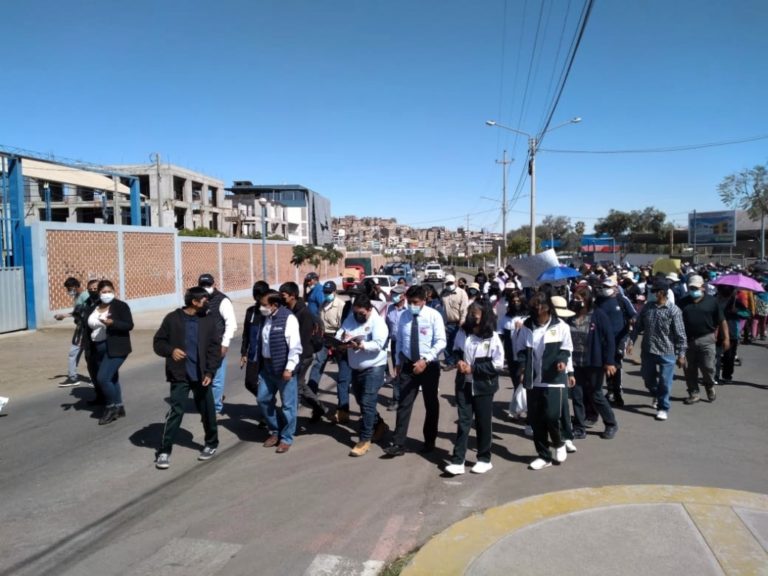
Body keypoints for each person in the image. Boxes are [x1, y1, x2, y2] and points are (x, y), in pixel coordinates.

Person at [152, 286, 222, 469]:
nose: (207, 303)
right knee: (176, 412)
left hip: (201, 375)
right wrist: (170, 351)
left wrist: (210, 372)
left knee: (207, 410)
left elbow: (214, 348)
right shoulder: (172, 319)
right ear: (194, 302)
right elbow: (158, 342)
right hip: (180, 375)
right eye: (204, 300)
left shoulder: (208, 320)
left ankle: (211, 443)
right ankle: (164, 451)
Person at [384, 285, 446, 457]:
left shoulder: (434, 316)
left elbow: (441, 341)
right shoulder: (404, 316)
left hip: (429, 366)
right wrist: (397, 361)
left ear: (424, 301)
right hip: (408, 366)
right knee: (404, 404)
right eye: (409, 302)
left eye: (415, 302)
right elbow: (400, 340)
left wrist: (425, 360)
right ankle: (398, 443)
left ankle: (429, 441)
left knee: (431, 404)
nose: (411, 305)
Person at [445, 302, 504, 475]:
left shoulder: (492, 337)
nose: (472, 317)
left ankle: (484, 458)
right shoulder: (463, 333)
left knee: (482, 422)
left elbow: (498, 364)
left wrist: (474, 369)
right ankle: (458, 461)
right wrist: (459, 361)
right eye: (470, 314)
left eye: (475, 315)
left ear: (484, 316)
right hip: (464, 384)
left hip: (484, 386)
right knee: (464, 422)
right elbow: (455, 350)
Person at [519, 291, 574, 471]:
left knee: (551, 416)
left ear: (548, 308)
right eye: (534, 308)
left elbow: (566, 349)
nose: (537, 312)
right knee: (536, 420)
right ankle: (543, 455)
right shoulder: (527, 326)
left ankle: (558, 443)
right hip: (533, 379)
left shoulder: (561, 326)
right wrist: (522, 369)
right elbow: (520, 351)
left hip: (554, 380)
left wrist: (562, 362)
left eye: (540, 308)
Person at [563, 287, 619, 441]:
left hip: (593, 362)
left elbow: (609, 339)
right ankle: (580, 427)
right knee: (576, 395)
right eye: (575, 297)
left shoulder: (598, 315)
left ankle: (610, 423)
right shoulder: (570, 315)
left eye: (581, 297)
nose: (577, 300)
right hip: (574, 362)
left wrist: (609, 361)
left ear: (588, 298)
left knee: (596, 394)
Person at [337, 294, 390, 456]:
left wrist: (362, 345)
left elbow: (379, 343)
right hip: (356, 367)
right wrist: (340, 341)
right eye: (356, 312)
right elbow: (341, 332)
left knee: (367, 401)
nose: (358, 316)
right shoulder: (351, 318)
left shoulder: (378, 322)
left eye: (361, 313)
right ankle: (379, 424)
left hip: (374, 367)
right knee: (361, 400)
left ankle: (365, 439)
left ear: (369, 309)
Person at [628, 278, 687, 421]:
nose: (652, 294)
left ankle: (663, 407)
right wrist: (631, 342)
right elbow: (638, 326)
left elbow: (680, 334)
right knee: (648, 379)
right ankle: (656, 394)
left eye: (654, 291)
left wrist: (681, 354)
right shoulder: (648, 307)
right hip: (648, 350)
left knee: (665, 382)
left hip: (667, 351)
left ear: (662, 293)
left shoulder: (674, 311)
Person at [253, 290, 303, 453]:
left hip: (283, 369)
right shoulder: (265, 318)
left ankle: (286, 438)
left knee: (288, 405)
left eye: (264, 305)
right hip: (267, 368)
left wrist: (289, 368)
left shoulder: (288, 318)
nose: (261, 308)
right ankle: (275, 430)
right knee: (263, 399)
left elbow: (295, 347)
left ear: (275, 305)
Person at [85, 280, 133, 425]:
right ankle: (119, 407)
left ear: (113, 291)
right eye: (103, 292)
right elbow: (87, 325)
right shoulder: (94, 306)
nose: (106, 294)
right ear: (99, 293)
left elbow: (129, 325)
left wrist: (113, 323)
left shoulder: (120, 306)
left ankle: (110, 408)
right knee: (112, 378)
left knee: (103, 378)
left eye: (109, 291)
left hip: (116, 347)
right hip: (97, 347)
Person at [279, 281, 327, 422]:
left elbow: (303, 340)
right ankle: (318, 407)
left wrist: (295, 359)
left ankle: (290, 417)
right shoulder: (290, 310)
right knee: (300, 385)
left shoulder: (304, 314)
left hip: (303, 355)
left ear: (293, 296)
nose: (282, 298)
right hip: (294, 355)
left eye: (284, 296)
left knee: (296, 386)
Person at [678, 274, 729, 405]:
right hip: (687, 341)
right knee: (689, 369)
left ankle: (709, 385)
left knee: (708, 367)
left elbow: (722, 320)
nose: (693, 290)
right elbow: (675, 322)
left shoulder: (712, 301)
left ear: (703, 288)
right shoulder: (682, 303)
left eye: (695, 288)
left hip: (706, 339)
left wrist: (726, 338)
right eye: (691, 288)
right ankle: (694, 392)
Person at [198, 273, 237, 418]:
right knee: (204, 376)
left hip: (217, 344)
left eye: (208, 285)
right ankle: (212, 401)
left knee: (217, 377)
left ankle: (216, 407)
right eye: (203, 285)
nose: (206, 288)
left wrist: (225, 344)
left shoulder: (222, 300)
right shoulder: (197, 299)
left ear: (214, 285)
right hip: (202, 345)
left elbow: (231, 324)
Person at [595, 277, 636, 407]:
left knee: (616, 365)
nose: (606, 289)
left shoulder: (622, 300)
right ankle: (610, 390)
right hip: (603, 339)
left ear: (615, 288)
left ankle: (618, 394)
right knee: (606, 365)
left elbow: (633, 314)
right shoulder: (599, 300)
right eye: (604, 287)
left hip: (619, 338)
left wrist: (632, 322)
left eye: (608, 287)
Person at [240, 280, 271, 426]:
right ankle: (268, 403)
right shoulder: (250, 312)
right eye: (256, 295)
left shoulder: (271, 311)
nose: (257, 298)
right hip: (253, 355)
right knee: (250, 383)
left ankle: (267, 413)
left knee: (267, 385)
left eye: (260, 295)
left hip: (267, 356)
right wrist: (243, 353)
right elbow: (246, 333)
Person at [55, 277, 91, 387]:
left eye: (69, 288)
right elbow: (77, 312)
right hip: (81, 328)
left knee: (76, 353)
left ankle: (73, 377)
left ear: (75, 286)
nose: (68, 291)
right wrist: (64, 316)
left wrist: (64, 316)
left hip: (85, 329)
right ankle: (74, 376)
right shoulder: (78, 296)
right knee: (77, 353)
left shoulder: (85, 296)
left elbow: (84, 312)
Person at [384, 285, 408, 411]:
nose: (393, 297)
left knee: (406, 373)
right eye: (392, 294)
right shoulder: (389, 309)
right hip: (394, 345)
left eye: (396, 294)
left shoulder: (409, 310)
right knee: (396, 372)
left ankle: (403, 398)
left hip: (407, 345)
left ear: (403, 295)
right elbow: (387, 327)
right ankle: (397, 399)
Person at [441, 274, 468, 371]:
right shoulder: (444, 293)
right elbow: (441, 308)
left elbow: (464, 309)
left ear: (455, 282)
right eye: (447, 283)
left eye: (451, 283)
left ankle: (459, 361)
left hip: (458, 323)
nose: (449, 285)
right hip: (447, 323)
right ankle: (450, 362)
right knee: (447, 344)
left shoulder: (462, 293)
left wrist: (462, 321)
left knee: (458, 344)